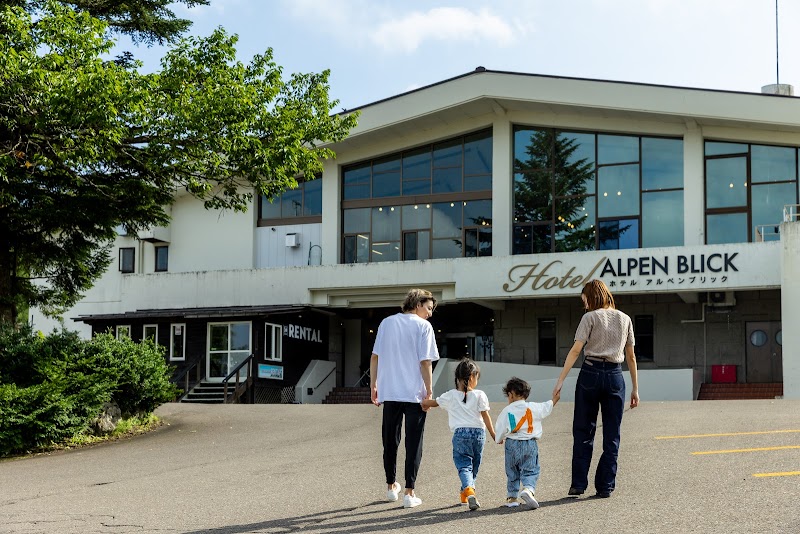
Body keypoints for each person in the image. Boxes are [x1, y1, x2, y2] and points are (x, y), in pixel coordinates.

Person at [553, 279, 639, 499]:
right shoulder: (625, 319)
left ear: (592, 297)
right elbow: (631, 356)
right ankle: (605, 486)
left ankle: (578, 484)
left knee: (583, 429)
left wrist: (561, 380)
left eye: (585, 300)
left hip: (590, 373)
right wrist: (635, 389)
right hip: (615, 376)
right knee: (612, 434)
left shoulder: (589, 317)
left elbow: (576, 350)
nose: (585, 305)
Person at [370, 288, 440, 509]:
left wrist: (374, 384)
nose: (430, 313)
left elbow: (375, 357)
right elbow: (425, 362)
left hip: (390, 392)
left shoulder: (386, 323)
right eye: (428, 308)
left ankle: (391, 487)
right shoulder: (423, 326)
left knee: (390, 441)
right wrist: (429, 391)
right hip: (414, 394)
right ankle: (409, 492)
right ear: (418, 304)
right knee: (414, 442)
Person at [421, 358, 496, 511]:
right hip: (479, 434)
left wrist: (424, 403)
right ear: (473, 377)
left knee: (464, 466)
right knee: (474, 466)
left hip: (460, 434)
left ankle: (468, 490)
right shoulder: (480, 395)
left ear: (457, 378)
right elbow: (485, 416)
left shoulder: (451, 395)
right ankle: (465, 492)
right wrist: (494, 434)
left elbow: (434, 402)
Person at [495, 376, 559, 509]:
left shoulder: (507, 410)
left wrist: (499, 438)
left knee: (512, 471)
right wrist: (555, 399)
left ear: (511, 394)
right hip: (530, 443)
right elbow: (547, 407)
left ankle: (512, 498)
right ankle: (528, 489)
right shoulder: (534, 407)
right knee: (531, 470)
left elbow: (500, 427)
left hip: (511, 443)